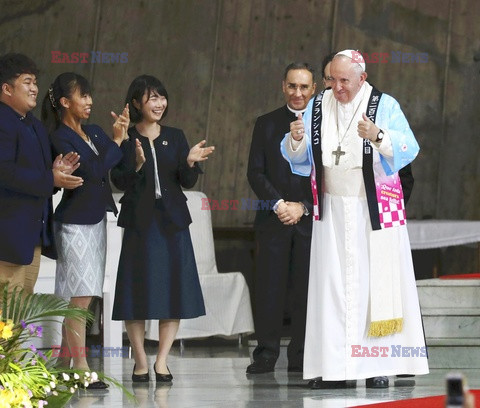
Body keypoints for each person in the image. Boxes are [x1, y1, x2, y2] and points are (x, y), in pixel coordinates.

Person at [281, 50, 429, 389]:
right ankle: (335, 367)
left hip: (371, 207)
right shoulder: (317, 106)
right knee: (331, 287)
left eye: (344, 80)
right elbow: (299, 159)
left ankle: (376, 366)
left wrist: (378, 135)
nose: (337, 87)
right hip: (331, 208)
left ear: (362, 77)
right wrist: (296, 140)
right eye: (332, 79)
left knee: (372, 287)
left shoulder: (384, 104)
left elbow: (409, 147)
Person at [111, 75, 214, 383]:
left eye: (161, 97)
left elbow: (185, 180)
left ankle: (163, 360)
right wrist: (138, 165)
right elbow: (118, 180)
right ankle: (140, 360)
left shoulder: (176, 135)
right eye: (151, 98)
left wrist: (191, 162)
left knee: (174, 290)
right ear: (136, 103)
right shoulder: (125, 137)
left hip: (173, 223)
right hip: (141, 224)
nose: (158, 104)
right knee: (136, 291)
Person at [41, 72, 129, 387]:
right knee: (79, 296)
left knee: (86, 294)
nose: (90, 101)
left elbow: (114, 164)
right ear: (65, 102)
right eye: (83, 96)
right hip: (74, 223)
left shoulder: (92, 130)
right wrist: (116, 141)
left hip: (96, 220)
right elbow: (93, 170)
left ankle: (65, 363)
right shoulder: (58, 137)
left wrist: (122, 137)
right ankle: (79, 366)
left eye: (90, 95)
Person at [246, 62, 315, 374]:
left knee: (306, 290)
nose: (297, 93)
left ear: (314, 89)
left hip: (310, 220)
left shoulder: (323, 124)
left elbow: (327, 173)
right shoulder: (266, 123)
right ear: (283, 86)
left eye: (304, 87)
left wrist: (302, 205)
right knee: (269, 288)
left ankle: (301, 355)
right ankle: (266, 353)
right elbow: (255, 172)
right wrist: (278, 205)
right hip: (273, 219)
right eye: (292, 86)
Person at [0, 53, 83, 294]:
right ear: (6, 88)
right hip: (7, 235)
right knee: (6, 315)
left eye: (35, 82)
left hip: (32, 235)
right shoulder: (3, 121)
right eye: (27, 82)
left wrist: (57, 173)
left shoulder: (35, 125)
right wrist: (50, 178)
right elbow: (4, 171)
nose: (35, 88)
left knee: (21, 312)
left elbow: (40, 177)